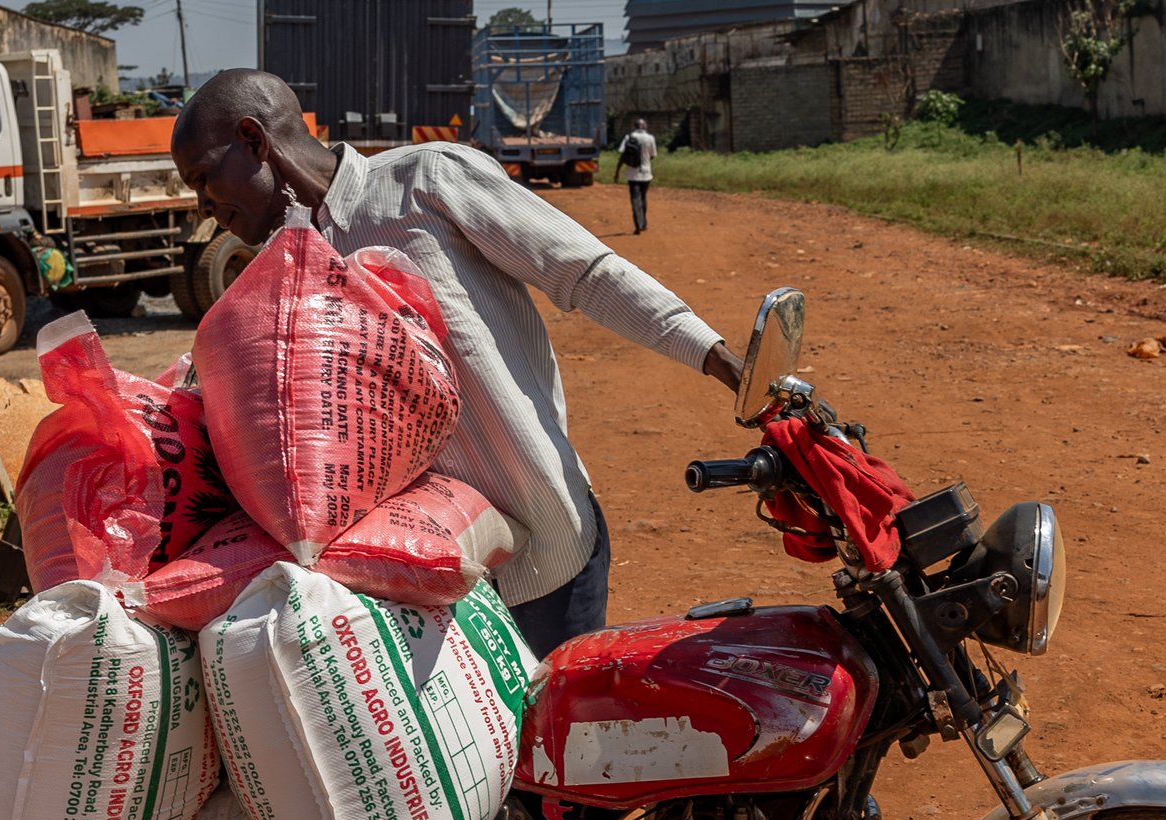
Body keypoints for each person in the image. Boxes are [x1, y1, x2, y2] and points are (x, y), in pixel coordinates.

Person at [170, 70, 741, 658]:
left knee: (563, 734)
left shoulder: (428, 182)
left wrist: (720, 360)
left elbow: (584, 271)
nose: (205, 207)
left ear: (253, 139)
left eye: (204, 178)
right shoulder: (277, 273)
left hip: (546, 547)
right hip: (424, 591)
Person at [617, 118, 657, 235]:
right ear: (645, 126)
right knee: (643, 197)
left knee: (635, 199)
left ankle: (638, 225)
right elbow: (653, 155)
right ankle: (644, 222)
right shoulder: (650, 138)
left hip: (632, 174)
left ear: (634, 126)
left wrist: (617, 172)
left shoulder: (628, 138)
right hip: (646, 173)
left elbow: (622, 156)